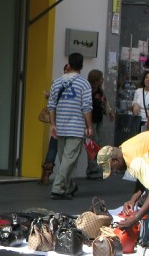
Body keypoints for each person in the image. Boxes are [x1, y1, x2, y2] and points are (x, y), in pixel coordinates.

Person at [47, 52, 93, 200]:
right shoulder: (84, 84)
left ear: (69, 64)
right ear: (81, 66)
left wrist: (53, 124)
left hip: (60, 126)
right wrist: (89, 126)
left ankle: (70, 186)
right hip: (76, 127)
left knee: (65, 160)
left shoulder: (57, 82)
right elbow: (86, 107)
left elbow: (51, 105)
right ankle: (58, 188)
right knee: (68, 160)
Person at [39, 64, 70, 186]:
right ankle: (64, 178)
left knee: (53, 146)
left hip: (57, 120)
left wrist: (49, 96)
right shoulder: (77, 85)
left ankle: (46, 175)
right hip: (69, 122)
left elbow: (52, 101)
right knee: (67, 150)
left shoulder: (57, 83)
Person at [85, 69, 115, 179]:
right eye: (101, 79)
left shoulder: (99, 90)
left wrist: (109, 112)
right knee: (93, 146)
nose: (103, 80)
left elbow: (104, 102)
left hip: (98, 121)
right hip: (90, 122)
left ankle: (97, 169)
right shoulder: (87, 90)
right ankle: (93, 171)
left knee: (99, 144)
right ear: (95, 80)